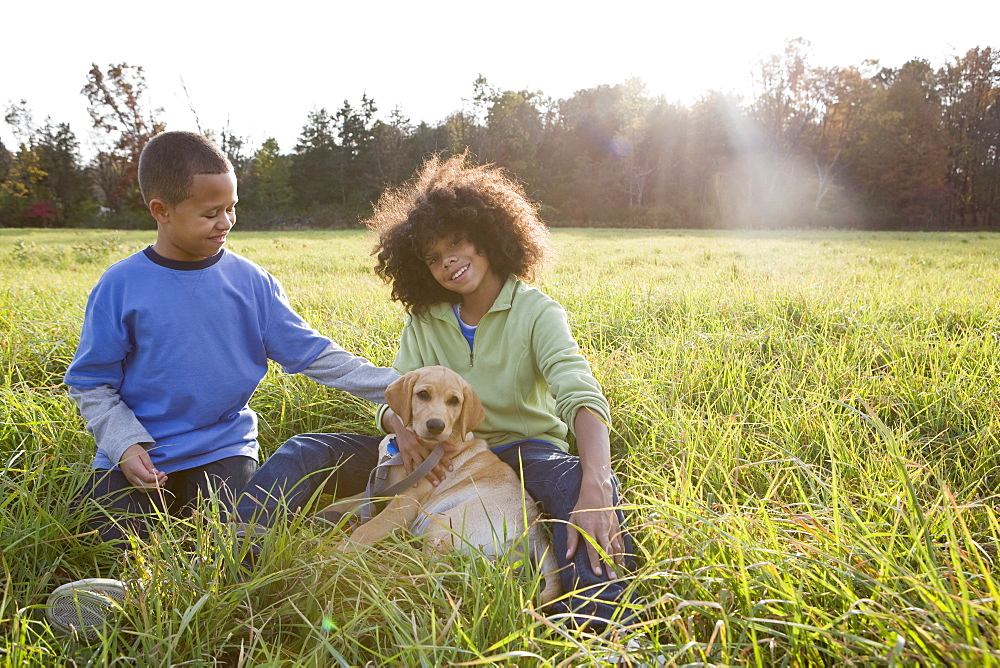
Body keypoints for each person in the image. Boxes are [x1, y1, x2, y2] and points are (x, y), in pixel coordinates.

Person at [234, 153, 635, 628]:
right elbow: (397, 396)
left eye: (457, 242)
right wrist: (400, 429)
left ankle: (597, 629)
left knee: (580, 486)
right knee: (308, 448)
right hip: (431, 445)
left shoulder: (536, 311)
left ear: (489, 236)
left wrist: (597, 482)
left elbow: (579, 393)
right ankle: (234, 554)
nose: (447, 260)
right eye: (431, 255)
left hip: (524, 451)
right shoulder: (424, 319)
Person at [63, 130, 399, 547]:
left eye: (232, 208)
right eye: (210, 213)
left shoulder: (251, 282)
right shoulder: (121, 286)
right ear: (161, 210)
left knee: (234, 540)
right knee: (119, 543)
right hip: (137, 455)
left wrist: (402, 389)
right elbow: (90, 381)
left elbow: (315, 354)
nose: (226, 222)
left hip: (221, 450)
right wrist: (125, 445)